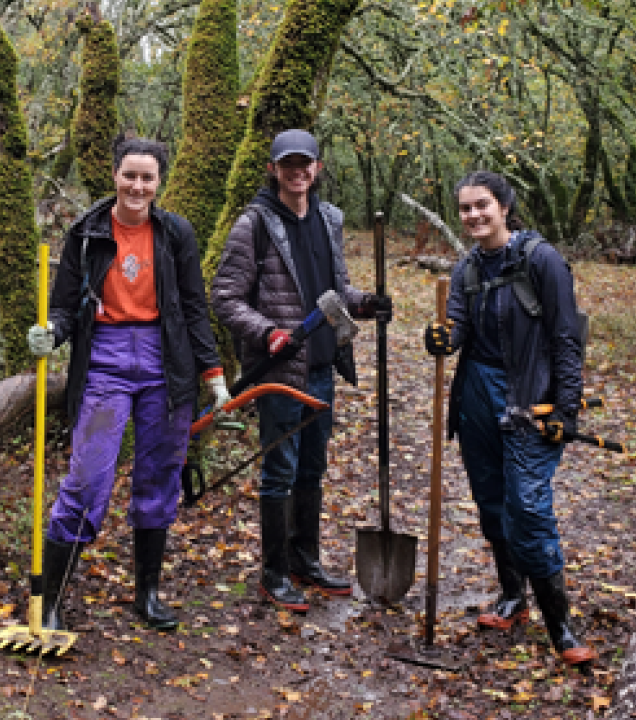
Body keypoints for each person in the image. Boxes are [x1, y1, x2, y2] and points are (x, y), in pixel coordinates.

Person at [26, 137, 231, 631]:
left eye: (148, 177)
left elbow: (193, 306)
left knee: (159, 477)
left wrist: (215, 375)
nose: (138, 186)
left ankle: (148, 594)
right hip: (105, 359)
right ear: (114, 175)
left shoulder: (176, 233)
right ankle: (50, 603)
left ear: (159, 182)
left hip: (166, 361)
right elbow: (64, 305)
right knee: (89, 476)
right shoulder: (86, 233)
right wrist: (51, 332)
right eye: (129, 175)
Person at [211, 129, 391, 613]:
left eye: (305, 163)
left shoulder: (328, 219)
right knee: (280, 470)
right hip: (279, 370)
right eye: (287, 163)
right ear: (272, 168)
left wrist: (367, 303)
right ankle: (273, 573)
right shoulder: (254, 225)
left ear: (317, 167)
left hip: (321, 366)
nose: (297, 171)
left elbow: (337, 291)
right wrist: (267, 331)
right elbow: (225, 297)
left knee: (312, 466)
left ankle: (304, 561)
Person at [423, 170, 595, 665]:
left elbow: (566, 336)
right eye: (465, 208)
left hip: (530, 396)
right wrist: (441, 338)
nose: (474, 215)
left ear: (503, 206)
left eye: (483, 205)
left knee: (529, 505)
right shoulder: (466, 269)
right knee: (493, 500)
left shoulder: (541, 260)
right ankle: (513, 597)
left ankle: (560, 625)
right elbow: (456, 328)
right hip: (477, 393)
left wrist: (566, 406)